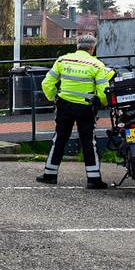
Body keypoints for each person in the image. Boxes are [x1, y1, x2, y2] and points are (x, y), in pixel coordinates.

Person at [37, 34, 114, 189]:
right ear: (92, 48)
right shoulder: (97, 65)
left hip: (64, 106)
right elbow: (103, 92)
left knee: (59, 139)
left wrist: (54, 98)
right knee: (88, 141)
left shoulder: (62, 60)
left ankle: (50, 175)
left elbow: (47, 83)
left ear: (77, 46)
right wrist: (101, 103)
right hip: (86, 108)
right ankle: (93, 179)